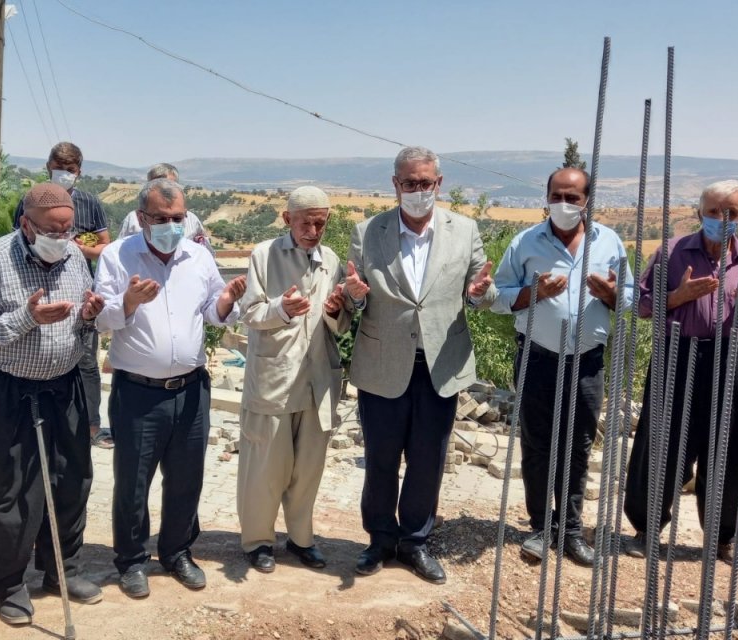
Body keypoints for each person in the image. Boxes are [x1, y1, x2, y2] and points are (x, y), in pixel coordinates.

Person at [0, 183, 106, 624]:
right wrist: (26, 318)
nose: (63, 239)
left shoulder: (75, 257)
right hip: (5, 391)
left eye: (69, 229)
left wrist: (88, 316)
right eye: (52, 231)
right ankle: (8, 584)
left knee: (71, 480)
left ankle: (62, 570)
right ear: (26, 224)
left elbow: (79, 322)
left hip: (63, 385)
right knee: (7, 490)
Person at [343, 146, 496, 584]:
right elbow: (356, 297)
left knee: (428, 459)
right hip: (382, 363)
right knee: (380, 459)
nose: (417, 191)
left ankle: (415, 542)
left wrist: (480, 293)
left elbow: (479, 293)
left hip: (439, 366)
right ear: (395, 184)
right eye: (409, 183)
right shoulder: (368, 231)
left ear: (438, 184)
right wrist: (354, 294)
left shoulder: (464, 231)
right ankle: (379, 540)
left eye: (425, 183)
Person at [95, 178, 245, 598]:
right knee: (133, 482)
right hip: (138, 392)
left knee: (186, 479)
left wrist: (229, 298)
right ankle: (131, 560)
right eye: (161, 219)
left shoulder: (198, 257)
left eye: (178, 218)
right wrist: (128, 302)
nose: (171, 226)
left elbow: (214, 313)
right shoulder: (117, 256)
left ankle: (177, 551)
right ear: (141, 218)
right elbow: (101, 320)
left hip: (192, 390)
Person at [623, 179, 738, 565]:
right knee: (662, 440)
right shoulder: (672, 252)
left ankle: (722, 539)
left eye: (730, 212)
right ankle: (647, 529)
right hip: (678, 355)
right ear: (699, 213)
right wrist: (678, 298)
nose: (721, 218)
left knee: (730, 448)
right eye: (713, 211)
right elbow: (643, 305)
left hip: (734, 357)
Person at [490, 167, 633, 566]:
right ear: (546, 196)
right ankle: (539, 528)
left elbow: (632, 296)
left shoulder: (610, 242)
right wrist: (531, 293)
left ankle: (570, 531)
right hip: (538, 356)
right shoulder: (525, 241)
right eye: (557, 196)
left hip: (587, 362)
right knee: (537, 445)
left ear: (588, 200)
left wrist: (611, 295)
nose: (564, 204)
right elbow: (497, 296)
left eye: (573, 197)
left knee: (579, 445)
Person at [236, 186, 349, 573]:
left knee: (307, 471)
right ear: (287, 220)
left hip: (317, 381)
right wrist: (280, 309)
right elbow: (249, 313)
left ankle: (302, 541)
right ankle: (258, 542)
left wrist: (337, 310)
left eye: (321, 222)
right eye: (306, 222)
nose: (314, 230)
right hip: (275, 380)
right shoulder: (264, 256)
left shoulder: (332, 261)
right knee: (266, 467)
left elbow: (340, 325)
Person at [12, 142, 113, 449]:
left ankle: (92, 426)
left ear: (78, 172)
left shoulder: (89, 202)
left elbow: (105, 247)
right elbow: (17, 242)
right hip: (34, 289)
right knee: (37, 352)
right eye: (58, 169)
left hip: (78, 292)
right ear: (48, 167)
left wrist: (73, 248)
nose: (64, 175)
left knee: (85, 361)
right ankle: (36, 420)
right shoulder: (30, 201)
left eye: (69, 170)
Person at [118, 163, 212, 252]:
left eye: (177, 219)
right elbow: (121, 250)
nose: (164, 190)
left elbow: (204, 251)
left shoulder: (192, 220)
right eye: (160, 219)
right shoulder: (132, 220)